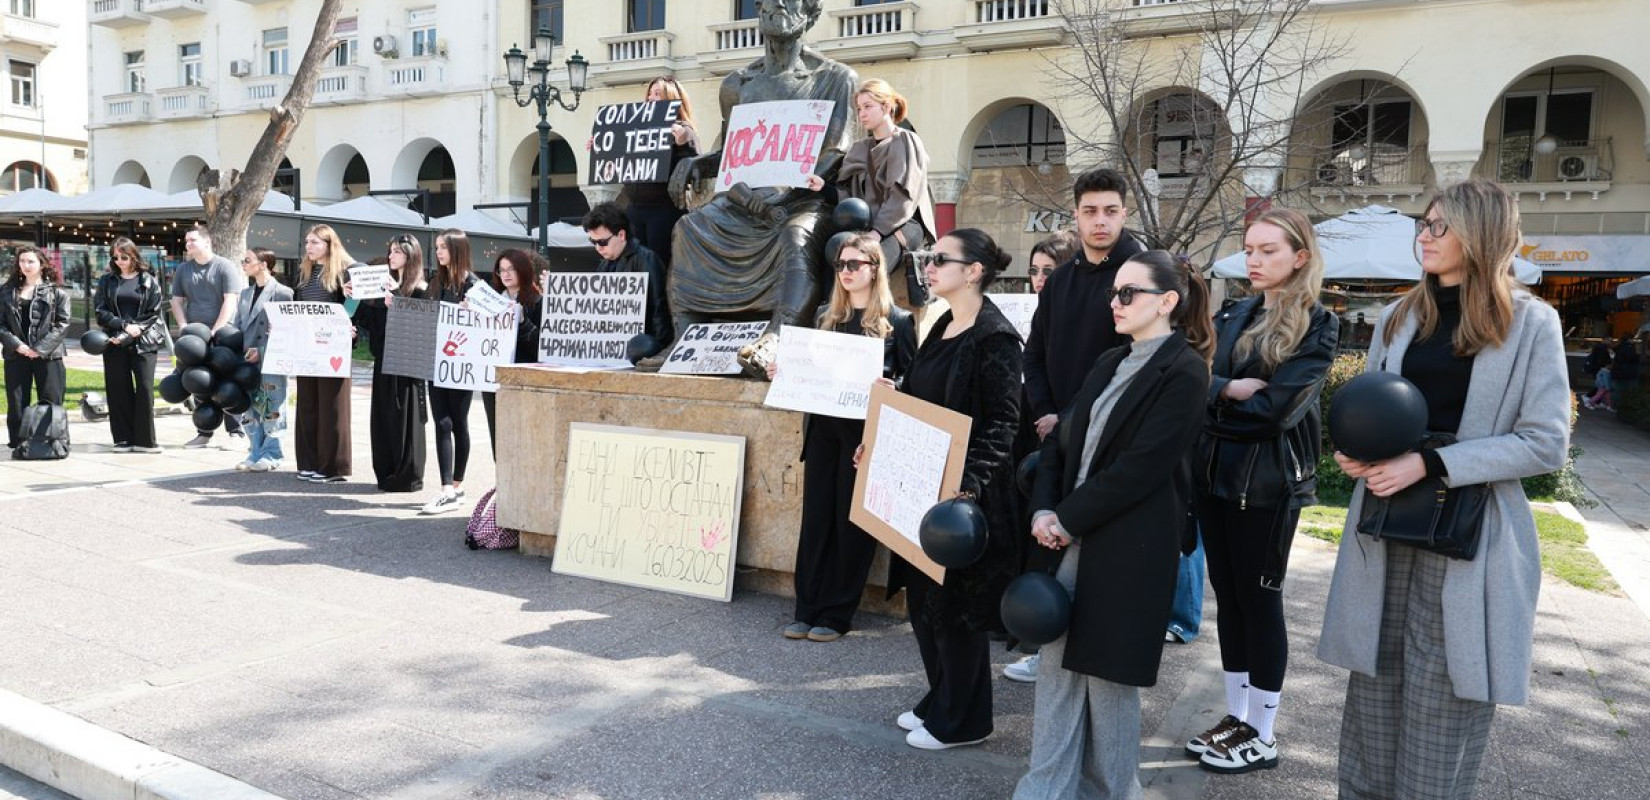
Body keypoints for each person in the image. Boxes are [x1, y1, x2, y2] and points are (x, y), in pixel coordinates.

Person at [1319, 179, 1570, 800]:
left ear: (1479, 234)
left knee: (1443, 708)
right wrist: (1358, 450)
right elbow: (1376, 408)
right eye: (1423, 224)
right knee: (1372, 701)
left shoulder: (1531, 322)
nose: (1424, 237)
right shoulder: (1399, 317)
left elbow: (1545, 443)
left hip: (1468, 536)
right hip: (1385, 523)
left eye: (1439, 226)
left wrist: (1430, 463)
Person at [1012, 250, 1214, 799]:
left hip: (1128, 547)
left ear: (1167, 302)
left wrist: (1066, 518)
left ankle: (1114, 792)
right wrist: (1044, 510)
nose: (1116, 303)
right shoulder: (1109, 360)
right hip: (1068, 538)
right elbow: (1060, 443)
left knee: (1108, 684)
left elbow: (1140, 469)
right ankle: (1045, 789)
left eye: (1128, 293)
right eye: (1113, 293)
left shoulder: (1185, 372)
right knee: (1056, 672)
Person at [1186, 208, 1338, 774]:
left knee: (1259, 602)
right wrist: (1226, 390)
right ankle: (1237, 716)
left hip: (1268, 484)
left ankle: (1263, 733)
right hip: (1213, 477)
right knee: (1227, 599)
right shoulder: (1235, 311)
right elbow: (1193, 380)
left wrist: (1213, 405)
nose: (1254, 259)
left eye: (1268, 250)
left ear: (1300, 257)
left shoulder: (1318, 323)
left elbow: (1275, 412)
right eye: (1250, 248)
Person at [653, 0, 858, 368]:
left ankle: (776, 339)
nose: (776, 4)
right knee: (689, 228)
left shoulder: (835, 77)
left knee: (796, 236)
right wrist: (696, 163)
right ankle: (684, 340)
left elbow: (835, 149)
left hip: (802, 197)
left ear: (810, 15)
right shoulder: (736, 83)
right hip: (744, 200)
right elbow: (733, 150)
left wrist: (789, 189)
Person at [1007, 168, 1147, 685]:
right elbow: (1035, 352)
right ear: (1076, 216)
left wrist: (1071, 418)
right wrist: (1047, 412)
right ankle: (1047, 648)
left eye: (1110, 211)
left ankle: (1093, 658)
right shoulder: (1061, 279)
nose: (1100, 221)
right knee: (1049, 542)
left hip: (1114, 436)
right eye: (1090, 211)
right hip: (1055, 434)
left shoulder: (1142, 274)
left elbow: (1137, 360)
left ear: (1125, 213)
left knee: (1097, 555)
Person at [888, 228, 1023, 751]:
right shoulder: (943, 323)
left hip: (966, 497)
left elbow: (1004, 424)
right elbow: (919, 396)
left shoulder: (995, 336)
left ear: (974, 271)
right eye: (930, 256)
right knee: (924, 603)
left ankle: (966, 721)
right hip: (923, 484)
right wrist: (884, 423)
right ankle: (941, 698)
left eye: (941, 258)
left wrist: (966, 487)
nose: (929, 265)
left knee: (956, 610)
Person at [772, 233, 916, 643]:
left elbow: (915, 379)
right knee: (816, 520)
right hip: (822, 429)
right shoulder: (826, 316)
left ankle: (836, 614)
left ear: (875, 268)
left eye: (855, 264)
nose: (846, 272)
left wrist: (895, 386)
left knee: (851, 526)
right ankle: (806, 609)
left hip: (864, 435)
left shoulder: (898, 321)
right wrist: (784, 372)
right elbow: (808, 370)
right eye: (841, 265)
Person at [804, 78, 936, 313]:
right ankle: (830, 315)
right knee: (834, 249)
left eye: (868, 106)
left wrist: (877, 232)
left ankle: (871, 319)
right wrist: (823, 187)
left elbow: (903, 198)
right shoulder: (860, 148)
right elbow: (851, 200)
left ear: (886, 107)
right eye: (859, 108)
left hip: (903, 224)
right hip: (868, 225)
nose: (861, 114)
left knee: (868, 264)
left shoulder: (906, 141)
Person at [352, 235, 429, 492]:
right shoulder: (385, 286)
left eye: (397, 251)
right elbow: (369, 321)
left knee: (404, 418)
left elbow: (420, 328)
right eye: (390, 251)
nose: (391, 256)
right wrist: (354, 297)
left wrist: (396, 299)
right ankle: (386, 472)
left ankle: (407, 474)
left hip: (407, 364)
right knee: (383, 418)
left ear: (410, 254)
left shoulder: (421, 289)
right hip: (383, 360)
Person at [291, 224, 357, 483]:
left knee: (332, 407)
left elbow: (354, 305)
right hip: (307, 346)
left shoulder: (345, 271)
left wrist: (349, 323)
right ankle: (308, 462)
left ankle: (332, 467)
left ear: (330, 245)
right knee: (307, 405)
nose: (309, 247)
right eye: (307, 242)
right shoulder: (304, 273)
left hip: (333, 347)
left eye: (315, 242)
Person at [171, 225, 246, 448]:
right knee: (199, 382)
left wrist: (216, 330)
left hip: (224, 335)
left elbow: (230, 300)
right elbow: (176, 301)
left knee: (228, 383)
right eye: (186, 241)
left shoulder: (224, 266)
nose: (188, 244)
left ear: (207, 241)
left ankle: (236, 433)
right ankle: (204, 432)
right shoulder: (183, 269)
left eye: (192, 240)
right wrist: (184, 327)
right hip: (195, 337)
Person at [422, 229, 480, 514]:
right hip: (436, 362)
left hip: (462, 364)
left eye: (443, 247)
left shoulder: (473, 285)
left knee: (459, 422)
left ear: (457, 249)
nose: (438, 252)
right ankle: (447, 488)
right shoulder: (436, 282)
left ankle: (457, 485)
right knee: (442, 423)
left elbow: (489, 323)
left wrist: (473, 312)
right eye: (437, 247)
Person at [93, 238, 166, 454]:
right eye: (115, 257)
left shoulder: (149, 280)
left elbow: (153, 312)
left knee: (144, 389)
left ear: (134, 255)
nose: (119, 261)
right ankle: (123, 439)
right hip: (115, 341)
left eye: (124, 257)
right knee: (118, 389)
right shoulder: (107, 281)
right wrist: (124, 327)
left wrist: (135, 329)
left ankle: (145, 441)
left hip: (143, 341)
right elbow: (100, 311)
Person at [620, 76, 699, 269]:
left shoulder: (683, 128)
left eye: (657, 93)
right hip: (635, 209)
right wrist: (601, 147)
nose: (651, 98)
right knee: (633, 266)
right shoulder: (636, 128)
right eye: (649, 94)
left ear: (671, 98)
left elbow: (694, 163)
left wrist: (683, 142)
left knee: (658, 265)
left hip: (663, 210)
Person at [1, 246, 70, 451]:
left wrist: (39, 349)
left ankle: (52, 443)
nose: (26, 265)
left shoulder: (57, 292)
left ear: (42, 264)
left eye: (31, 261)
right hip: (16, 354)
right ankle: (19, 443)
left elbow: (62, 324)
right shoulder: (7, 291)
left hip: (49, 355)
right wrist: (18, 345)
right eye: (22, 261)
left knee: (51, 401)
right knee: (17, 402)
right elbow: (1, 325)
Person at [234, 247, 294, 472]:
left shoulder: (283, 292)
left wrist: (262, 350)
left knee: (272, 404)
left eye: (247, 260)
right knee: (249, 405)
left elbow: (287, 331)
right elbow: (238, 326)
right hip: (246, 359)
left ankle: (272, 453)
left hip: (272, 357)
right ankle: (255, 450)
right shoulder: (245, 294)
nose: (244, 263)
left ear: (263, 264)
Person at [582, 203, 672, 347]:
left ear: (621, 235)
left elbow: (659, 308)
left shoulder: (647, 259)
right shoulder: (604, 265)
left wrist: (659, 347)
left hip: (641, 345)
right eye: (593, 242)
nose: (598, 248)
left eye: (602, 242)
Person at [481, 247, 543, 455]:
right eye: (502, 270)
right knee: (498, 439)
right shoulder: (490, 301)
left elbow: (542, 349)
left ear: (523, 270)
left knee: (522, 440)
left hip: (524, 381)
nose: (505, 274)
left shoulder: (537, 302)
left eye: (511, 269)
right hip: (494, 380)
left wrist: (523, 322)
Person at [1580, 340, 1612, 410]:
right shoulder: (1603, 350)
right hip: (1601, 370)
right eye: (1609, 340)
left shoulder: (1598, 349)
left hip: (1597, 370)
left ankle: (1595, 401)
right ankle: (1590, 399)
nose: (1610, 341)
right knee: (1601, 387)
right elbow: (1603, 360)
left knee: (1600, 387)